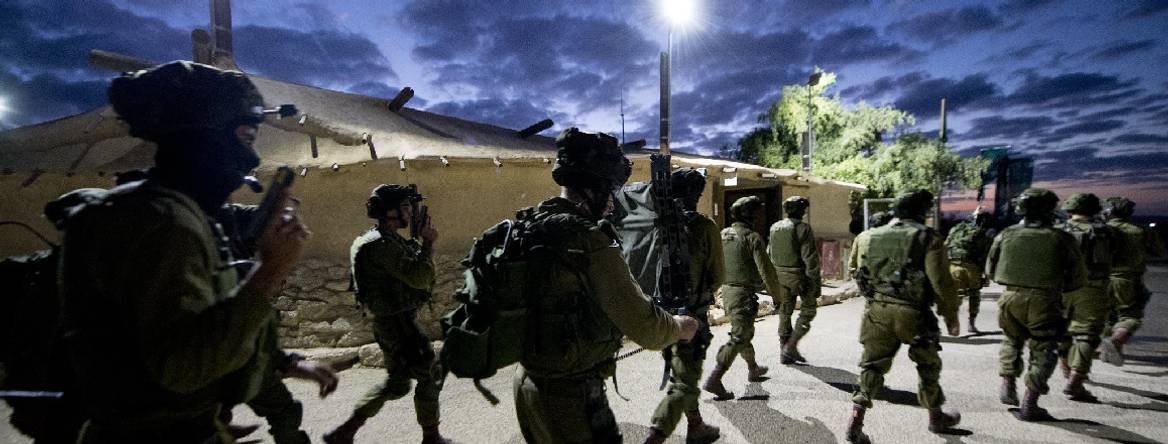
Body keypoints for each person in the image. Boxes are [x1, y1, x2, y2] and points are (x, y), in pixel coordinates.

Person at [58, 61, 310, 442]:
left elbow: (204, 323)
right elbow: (183, 368)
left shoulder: (176, 213)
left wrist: (279, 362)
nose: (253, 159)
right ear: (204, 137)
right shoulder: (161, 223)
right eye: (244, 138)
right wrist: (270, 271)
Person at [509, 128, 697, 443]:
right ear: (592, 188)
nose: (613, 202)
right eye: (610, 190)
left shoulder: (527, 227)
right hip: (571, 397)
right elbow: (646, 327)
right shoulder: (588, 241)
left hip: (527, 384)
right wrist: (681, 326)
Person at [324, 184, 452, 444]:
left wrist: (419, 242)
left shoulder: (385, 239)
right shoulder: (380, 245)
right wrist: (428, 242)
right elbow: (419, 276)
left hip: (394, 322)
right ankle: (431, 437)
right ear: (390, 212)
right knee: (428, 373)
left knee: (398, 383)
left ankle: (344, 431)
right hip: (397, 324)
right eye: (405, 207)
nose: (409, 212)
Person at [214, 203, 339, 444]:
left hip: (239, 355)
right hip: (199, 369)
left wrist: (285, 362)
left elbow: (251, 331)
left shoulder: (224, 230)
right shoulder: (184, 243)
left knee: (285, 411)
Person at [846, 190, 961, 443]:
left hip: (876, 310)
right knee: (927, 364)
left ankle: (856, 419)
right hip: (913, 313)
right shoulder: (927, 238)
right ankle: (935, 417)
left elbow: (859, 273)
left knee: (871, 366)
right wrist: (950, 314)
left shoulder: (870, 236)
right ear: (922, 211)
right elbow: (941, 281)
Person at [987, 188, 1086, 421]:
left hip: (1010, 297)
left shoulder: (1007, 234)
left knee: (1011, 339)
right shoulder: (1062, 238)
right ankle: (1030, 403)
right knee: (1044, 348)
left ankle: (1008, 383)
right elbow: (1077, 278)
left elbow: (991, 270)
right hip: (1045, 299)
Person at [645, 169, 723, 444]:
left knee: (680, 368)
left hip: (660, 312)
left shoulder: (657, 225)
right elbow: (719, 275)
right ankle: (655, 436)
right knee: (685, 382)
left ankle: (696, 424)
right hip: (692, 313)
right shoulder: (704, 226)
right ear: (696, 195)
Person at [702, 196, 783, 400]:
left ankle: (753, 368)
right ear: (749, 216)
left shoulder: (722, 235)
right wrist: (777, 296)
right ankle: (715, 378)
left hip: (725, 292)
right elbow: (766, 270)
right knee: (739, 335)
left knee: (742, 332)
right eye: (756, 214)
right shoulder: (751, 237)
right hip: (742, 295)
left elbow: (711, 261)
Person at [1054, 193, 1117, 401]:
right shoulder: (1106, 232)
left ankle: (1065, 368)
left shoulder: (1057, 230)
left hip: (1060, 287)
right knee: (1087, 334)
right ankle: (1076, 379)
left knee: (1062, 331)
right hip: (1092, 287)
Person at [1099, 197, 1167, 366]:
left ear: (1108, 212)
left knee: (1108, 317)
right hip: (1127, 280)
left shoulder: (1100, 230)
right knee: (1131, 316)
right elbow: (1160, 251)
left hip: (1100, 281)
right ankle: (1116, 342)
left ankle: (1103, 350)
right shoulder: (1140, 231)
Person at [767, 196, 821, 364]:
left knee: (784, 311)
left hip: (779, 276)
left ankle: (784, 351)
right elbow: (810, 259)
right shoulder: (803, 228)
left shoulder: (775, 227)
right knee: (809, 310)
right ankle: (791, 345)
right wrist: (815, 283)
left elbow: (769, 253)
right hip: (799, 276)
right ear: (801, 211)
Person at [944, 209, 994, 334]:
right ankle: (971, 324)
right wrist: (986, 274)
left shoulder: (955, 229)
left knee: (957, 295)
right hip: (971, 267)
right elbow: (985, 255)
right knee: (974, 295)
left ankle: (953, 322)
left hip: (953, 265)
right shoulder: (983, 233)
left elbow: (945, 245)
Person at [847, 211, 893, 277]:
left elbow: (852, 261)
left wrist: (853, 272)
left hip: (865, 279)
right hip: (885, 278)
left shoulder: (860, 236)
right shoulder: (890, 237)